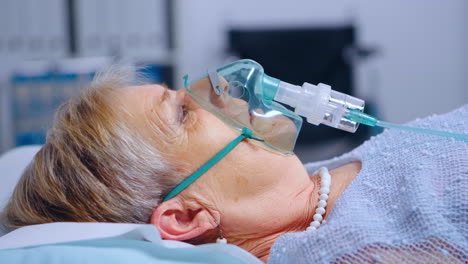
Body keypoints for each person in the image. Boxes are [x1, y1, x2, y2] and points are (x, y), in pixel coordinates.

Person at [2, 67, 467, 263]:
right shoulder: (355, 251)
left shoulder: (312, 183)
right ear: (186, 216)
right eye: (184, 112)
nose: (220, 91)